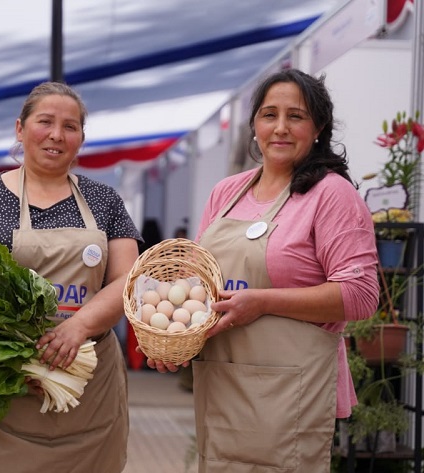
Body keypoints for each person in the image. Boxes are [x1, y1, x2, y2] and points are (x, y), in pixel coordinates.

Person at [146, 68, 379, 471]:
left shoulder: (331, 194)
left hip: (290, 391)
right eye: (270, 115)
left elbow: (360, 296)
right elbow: (197, 285)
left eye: (297, 116)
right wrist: (173, 338)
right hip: (224, 382)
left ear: (318, 127)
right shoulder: (227, 192)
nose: (281, 128)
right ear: (254, 125)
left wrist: (262, 303)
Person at [0, 81, 141, 472]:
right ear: (20, 129)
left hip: (86, 381)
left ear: (81, 137)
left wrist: (77, 328)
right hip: (1, 382)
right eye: (45, 121)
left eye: (70, 126)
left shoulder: (104, 200)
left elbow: (127, 280)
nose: (56, 135)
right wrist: (15, 357)